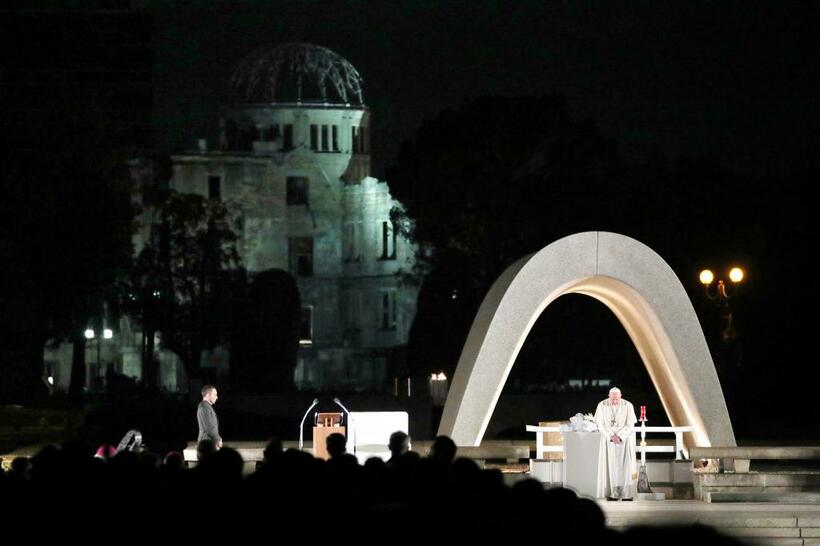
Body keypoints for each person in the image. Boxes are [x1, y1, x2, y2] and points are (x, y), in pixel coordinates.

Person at [594, 387, 637, 500]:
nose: (614, 402)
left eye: (616, 399)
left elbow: (630, 425)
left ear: (620, 396)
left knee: (625, 467)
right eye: (612, 399)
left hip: (624, 440)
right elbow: (600, 425)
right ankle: (612, 494)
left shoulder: (628, 405)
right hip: (609, 441)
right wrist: (611, 436)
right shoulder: (602, 405)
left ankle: (626, 494)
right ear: (609, 396)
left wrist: (620, 436)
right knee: (610, 467)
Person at [197, 385, 222, 450]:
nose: (217, 397)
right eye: (215, 394)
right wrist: (218, 439)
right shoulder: (204, 407)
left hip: (209, 442)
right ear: (208, 395)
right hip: (206, 443)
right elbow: (209, 427)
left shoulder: (206, 406)